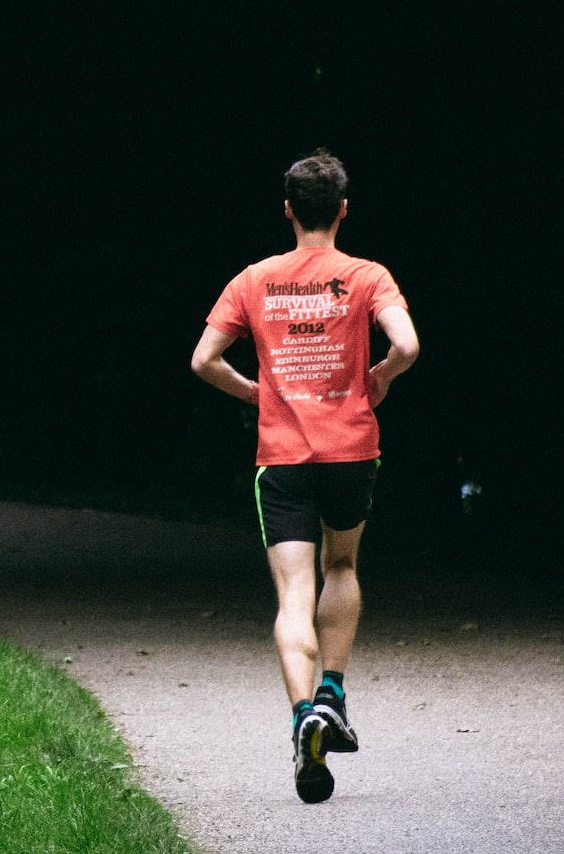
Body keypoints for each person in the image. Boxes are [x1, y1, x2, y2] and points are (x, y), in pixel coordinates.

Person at [189, 149, 419, 804]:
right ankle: (333, 697)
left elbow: (204, 359)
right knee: (341, 569)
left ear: (288, 210)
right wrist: (381, 377)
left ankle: (302, 720)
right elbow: (407, 345)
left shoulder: (254, 280)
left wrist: (254, 393)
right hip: (350, 451)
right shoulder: (367, 275)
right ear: (343, 210)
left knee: (293, 594)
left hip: (283, 458)